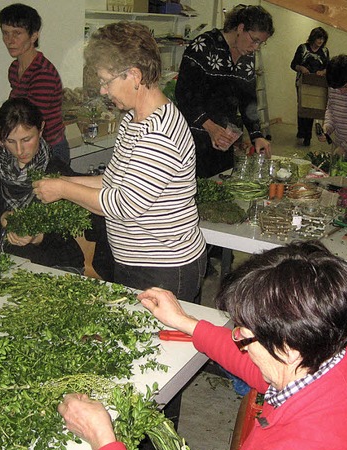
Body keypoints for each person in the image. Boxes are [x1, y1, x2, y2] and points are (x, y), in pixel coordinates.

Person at [58, 241, 347, 450]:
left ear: (289, 348)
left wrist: (103, 441)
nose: (237, 339)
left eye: (244, 334)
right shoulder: (335, 360)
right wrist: (186, 322)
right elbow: (259, 369)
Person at [32, 21, 206, 303]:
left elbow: (124, 205)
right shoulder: (132, 120)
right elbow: (113, 181)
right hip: (136, 261)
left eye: (106, 81)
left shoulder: (159, 132)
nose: (103, 91)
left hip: (164, 267)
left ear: (134, 76)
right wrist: (63, 180)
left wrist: (63, 191)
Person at [0, 97, 108, 275]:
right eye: (10, 141)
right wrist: (2, 218)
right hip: (11, 259)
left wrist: (38, 236)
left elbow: (79, 227)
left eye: (27, 139)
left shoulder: (55, 171)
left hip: (56, 264)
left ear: (41, 129)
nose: (19, 150)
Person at [175, 4, 274, 178]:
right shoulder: (204, 46)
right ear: (241, 28)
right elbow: (184, 95)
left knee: (222, 186)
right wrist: (211, 127)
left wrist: (256, 135)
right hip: (195, 137)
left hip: (225, 139)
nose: (256, 47)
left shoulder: (246, 55)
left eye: (261, 43)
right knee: (196, 189)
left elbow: (248, 100)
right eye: (255, 40)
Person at [0, 3, 68, 165]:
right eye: (5, 33)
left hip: (49, 149)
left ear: (34, 36)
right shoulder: (14, 69)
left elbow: (26, 122)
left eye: (17, 34)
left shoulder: (43, 73)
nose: (9, 41)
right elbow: (15, 111)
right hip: (27, 146)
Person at [290, 27, 329, 146]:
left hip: (317, 84)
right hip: (302, 82)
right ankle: (301, 131)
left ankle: (308, 135)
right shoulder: (303, 48)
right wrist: (301, 68)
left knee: (312, 108)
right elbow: (293, 64)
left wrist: (323, 72)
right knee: (302, 106)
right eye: (318, 38)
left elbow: (328, 67)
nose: (320, 41)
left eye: (323, 39)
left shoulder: (325, 51)